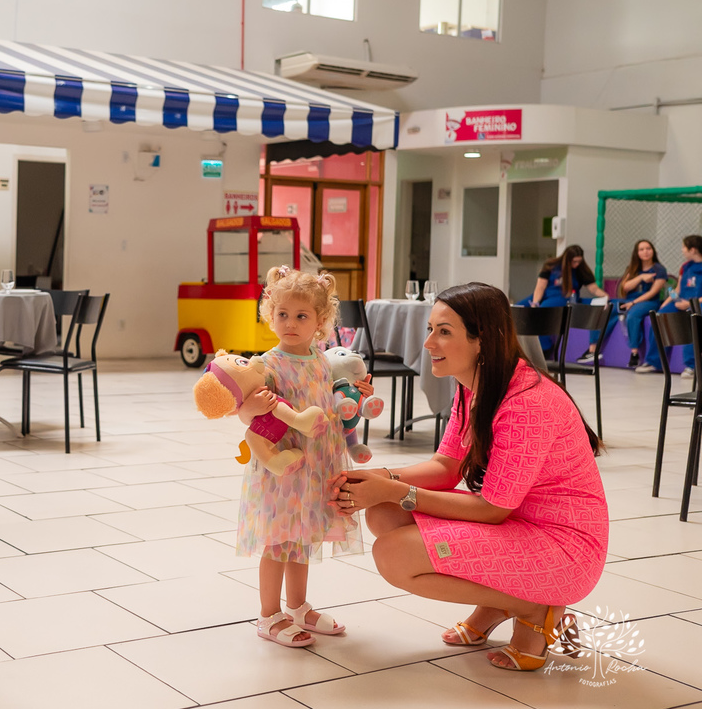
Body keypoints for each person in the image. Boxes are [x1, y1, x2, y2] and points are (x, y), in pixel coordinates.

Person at [329, 282, 607, 671]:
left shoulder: (526, 402)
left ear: (484, 340)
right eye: (430, 329)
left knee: (393, 555)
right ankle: (499, 601)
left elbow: (493, 509)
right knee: (383, 513)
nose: (429, 344)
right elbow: (446, 467)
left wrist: (395, 489)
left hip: (563, 550)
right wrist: (377, 478)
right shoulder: (475, 385)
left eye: (444, 332)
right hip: (519, 527)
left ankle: (534, 607)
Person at [237, 265, 371, 648]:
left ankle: (296, 606)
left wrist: (355, 394)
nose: (290, 323)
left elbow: (336, 398)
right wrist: (253, 406)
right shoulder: (266, 363)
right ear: (270, 315)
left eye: (301, 316)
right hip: (283, 465)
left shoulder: (322, 359)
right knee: (279, 540)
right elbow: (244, 413)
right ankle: (267, 615)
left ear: (320, 321)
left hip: (316, 464)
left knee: (304, 537)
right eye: (283, 315)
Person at [583, 239, 666, 367]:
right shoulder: (632, 269)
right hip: (629, 299)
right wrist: (640, 278)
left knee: (633, 315)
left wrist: (633, 303)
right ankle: (592, 349)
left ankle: (634, 353)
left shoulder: (659, 269)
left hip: (648, 301)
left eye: (648, 248)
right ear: (637, 253)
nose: (645, 252)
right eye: (641, 249)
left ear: (653, 251)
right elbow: (625, 287)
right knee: (604, 309)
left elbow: (652, 292)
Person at [516, 244, 607, 355]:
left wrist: (605, 297)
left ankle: (545, 348)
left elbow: (593, 289)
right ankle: (517, 347)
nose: (576, 264)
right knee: (517, 309)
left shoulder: (581, 270)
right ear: (567, 259)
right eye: (574, 261)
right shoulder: (550, 266)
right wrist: (535, 303)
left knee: (543, 312)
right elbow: (540, 287)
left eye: (579, 261)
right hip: (545, 294)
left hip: (563, 297)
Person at [636, 234, 702, 379]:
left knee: (692, 320)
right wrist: (664, 306)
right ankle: (654, 362)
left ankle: (691, 366)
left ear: (693, 249)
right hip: (680, 302)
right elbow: (677, 290)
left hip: (697, 303)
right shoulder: (685, 266)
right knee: (659, 318)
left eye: (684, 247)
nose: (682, 250)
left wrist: (690, 303)